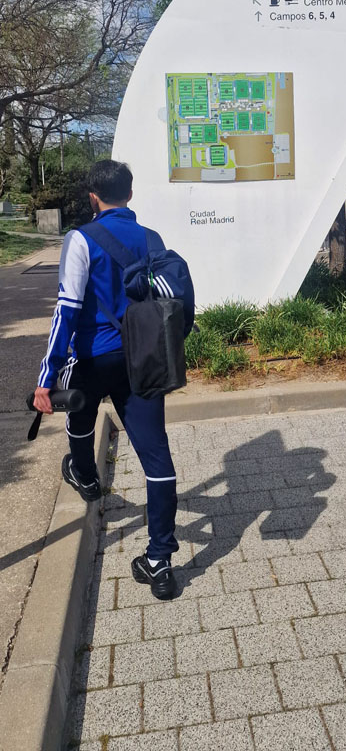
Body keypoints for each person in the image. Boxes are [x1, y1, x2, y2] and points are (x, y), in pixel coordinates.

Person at [34, 160, 194, 599]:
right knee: (156, 457)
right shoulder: (150, 238)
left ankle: (85, 474)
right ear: (129, 193)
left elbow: (66, 309)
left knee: (78, 413)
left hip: (92, 356)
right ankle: (160, 563)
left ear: (92, 197)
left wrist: (46, 378)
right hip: (142, 359)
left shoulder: (80, 239)